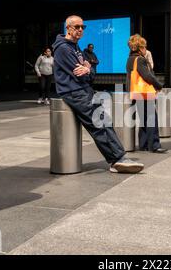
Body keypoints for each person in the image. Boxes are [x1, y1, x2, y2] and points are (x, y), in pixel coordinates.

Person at [52, 15, 144, 174]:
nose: (80, 30)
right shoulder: (63, 48)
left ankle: (118, 157)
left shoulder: (75, 47)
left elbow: (90, 72)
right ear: (68, 28)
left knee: (105, 121)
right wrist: (87, 70)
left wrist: (88, 69)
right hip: (75, 92)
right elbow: (80, 74)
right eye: (77, 27)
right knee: (98, 124)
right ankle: (117, 159)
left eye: (83, 27)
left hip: (84, 90)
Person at [126, 34, 167, 154]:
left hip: (136, 93)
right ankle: (154, 145)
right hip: (145, 93)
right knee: (151, 118)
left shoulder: (130, 59)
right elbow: (148, 76)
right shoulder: (140, 59)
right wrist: (159, 85)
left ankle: (143, 144)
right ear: (140, 48)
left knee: (143, 119)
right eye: (144, 47)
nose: (145, 49)